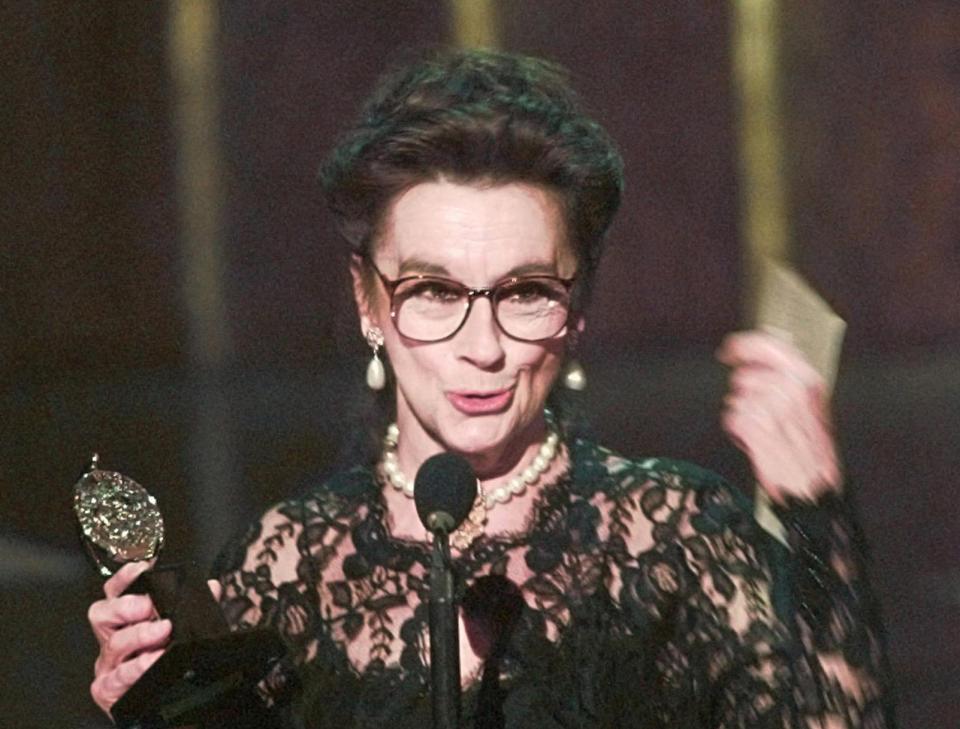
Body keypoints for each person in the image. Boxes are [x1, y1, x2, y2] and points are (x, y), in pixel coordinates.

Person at [88, 49, 893, 728]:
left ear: (577, 311)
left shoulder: (675, 539)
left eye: (526, 292)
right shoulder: (285, 563)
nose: (485, 347)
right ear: (368, 302)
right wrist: (152, 702)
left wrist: (814, 510)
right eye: (435, 291)